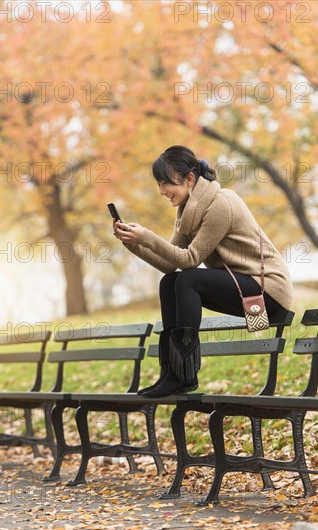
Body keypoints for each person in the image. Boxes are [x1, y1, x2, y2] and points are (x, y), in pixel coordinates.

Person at [113, 145, 293, 398]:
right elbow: (169, 264)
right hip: (242, 288)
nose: (162, 191)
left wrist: (148, 236)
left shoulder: (221, 203)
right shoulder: (186, 210)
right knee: (170, 282)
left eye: (167, 183)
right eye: (159, 184)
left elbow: (190, 260)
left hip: (268, 293)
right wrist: (134, 244)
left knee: (187, 280)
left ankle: (184, 375)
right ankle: (172, 373)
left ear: (189, 179)